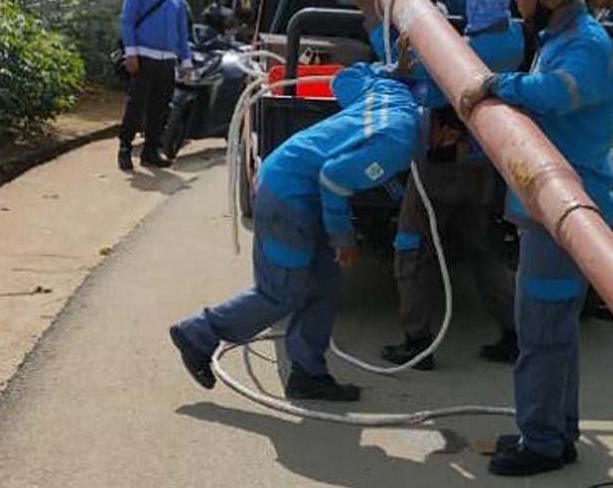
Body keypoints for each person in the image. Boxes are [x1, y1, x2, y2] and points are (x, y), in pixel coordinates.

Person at [458, 0, 613, 476]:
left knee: (541, 330)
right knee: (555, 331)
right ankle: (555, 430)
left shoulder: (588, 45)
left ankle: (543, 441)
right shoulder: (560, 35)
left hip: (566, 209)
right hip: (550, 209)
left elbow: (554, 93)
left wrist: (495, 84)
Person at [168, 63, 425, 402]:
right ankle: (199, 332)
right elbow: (334, 178)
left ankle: (308, 374)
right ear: (448, 133)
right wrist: (343, 238)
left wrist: (390, 69)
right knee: (282, 291)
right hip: (289, 197)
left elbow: (344, 79)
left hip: (293, 184)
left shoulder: (391, 93)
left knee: (324, 283)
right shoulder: (401, 137)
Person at [362, 0, 525, 370]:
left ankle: (417, 340)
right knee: (482, 248)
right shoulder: (510, 34)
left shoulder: (466, 52)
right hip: (483, 162)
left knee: (412, 241)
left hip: (443, 158)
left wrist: (372, 19)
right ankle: (515, 333)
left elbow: (410, 75)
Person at [118, 0, 192, 171]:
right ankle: (125, 148)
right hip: (143, 58)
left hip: (167, 60)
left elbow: (182, 33)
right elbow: (127, 22)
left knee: (160, 108)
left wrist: (186, 61)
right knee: (136, 105)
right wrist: (131, 53)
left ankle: (151, 150)